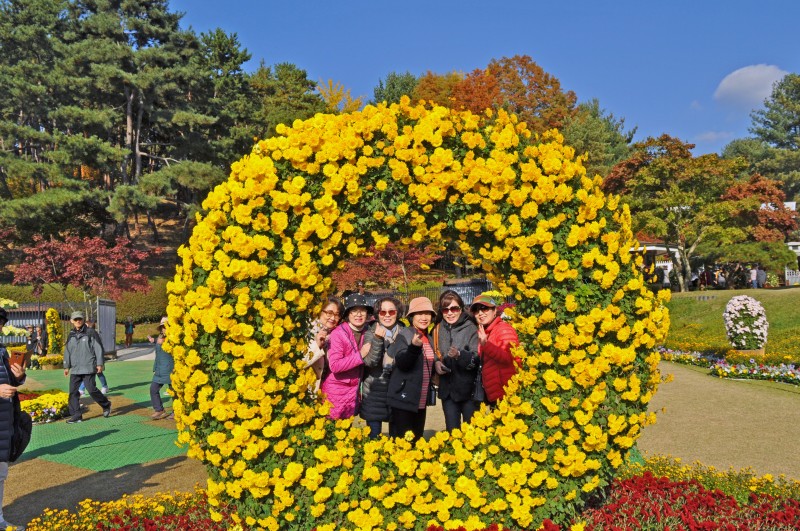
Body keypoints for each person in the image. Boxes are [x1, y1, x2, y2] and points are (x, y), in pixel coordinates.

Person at [387, 297, 437, 441]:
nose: (424, 317)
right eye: (419, 313)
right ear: (411, 316)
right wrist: (414, 348)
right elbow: (402, 363)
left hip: (419, 400)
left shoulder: (428, 337)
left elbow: (428, 362)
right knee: (404, 442)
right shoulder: (405, 335)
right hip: (404, 398)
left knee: (417, 440)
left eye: (427, 313)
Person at [433, 290, 479, 432]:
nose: (450, 313)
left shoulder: (471, 328)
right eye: (445, 309)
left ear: (460, 309)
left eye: (454, 308)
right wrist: (436, 363)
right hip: (447, 391)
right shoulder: (437, 329)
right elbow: (432, 350)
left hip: (468, 391)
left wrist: (460, 355)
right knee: (452, 431)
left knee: (471, 433)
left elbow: (475, 359)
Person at [320, 294, 372, 419]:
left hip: (352, 393)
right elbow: (335, 365)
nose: (358, 315)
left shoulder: (368, 332)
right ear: (348, 314)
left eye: (362, 310)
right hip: (336, 392)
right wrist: (361, 355)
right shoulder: (338, 333)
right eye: (354, 310)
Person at [360, 296, 404, 438]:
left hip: (397, 391)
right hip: (374, 392)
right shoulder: (370, 332)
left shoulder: (405, 332)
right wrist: (378, 339)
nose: (386, 315)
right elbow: (370, 362)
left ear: (397, 313)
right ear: (377, 314)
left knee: (397, 440)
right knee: (373, 441)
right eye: (382, 312)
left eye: (391, 312)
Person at [0, 308, 26, 530]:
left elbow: (10, 382)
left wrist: (18, 377)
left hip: (4, 421)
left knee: (0, 474)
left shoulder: (2, 351)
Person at [470, 294, 519, 407]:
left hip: (506, 393)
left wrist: (486, 344)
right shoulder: (487, 331)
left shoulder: (503, 329)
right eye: (476, 311)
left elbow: (509, 358)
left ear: (495, 310)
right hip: (496, 393)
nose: (480, 313)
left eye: (484, 308)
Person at [64, 311, 112, 423]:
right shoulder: (71, 334)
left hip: (88, 366)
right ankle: (76, 415)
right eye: (75, 319)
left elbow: (98, 348)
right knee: (73, 392)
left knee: (91, 389)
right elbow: (67, 351)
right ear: (72, 321)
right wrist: (66, 366)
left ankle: (106, 404)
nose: (78, 321)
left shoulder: (91, 332)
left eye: (79, 319)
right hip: (75, 368)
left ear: (83, 320)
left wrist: (100, 364)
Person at [304, 297, 345, 391]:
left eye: (337, 315)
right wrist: (317, 345)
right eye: (329, 313)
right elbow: (301, 363)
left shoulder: (335, 334)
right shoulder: (307, 331)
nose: (333, 318)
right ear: (320, 311)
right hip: (307, 389)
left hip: (327, 390)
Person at [149, 324, 174, 419]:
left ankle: (176, 412)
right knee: (153, 389)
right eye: (162, 327)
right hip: (160, 370)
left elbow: (172, 343)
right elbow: (158, 353)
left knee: (174, 392)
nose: (164, 329)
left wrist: (161, 341)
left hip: (170, 369)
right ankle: (159, 410)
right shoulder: (160, 338)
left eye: (166, 327)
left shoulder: (173, 337)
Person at [79, 319, 109, 395]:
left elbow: (99, 347)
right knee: (86, 373)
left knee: (99, 373)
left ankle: (105, 386)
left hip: (95, 358)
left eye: (85, 324)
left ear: (89, 325)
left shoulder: (93, 333)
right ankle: (82, 389)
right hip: (88, 358)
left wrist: (100, 361)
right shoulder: (84, 333)